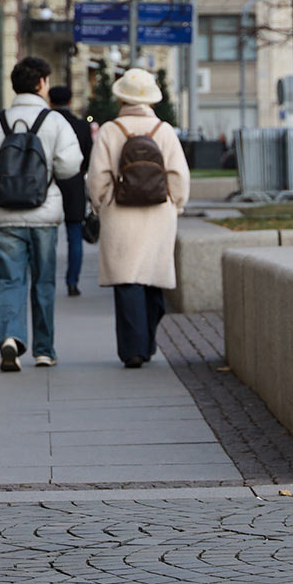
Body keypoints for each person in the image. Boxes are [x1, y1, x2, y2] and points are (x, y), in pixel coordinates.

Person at [0, 57, 83, 372]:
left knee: (10, 279)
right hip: (44, 213)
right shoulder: (54, 121)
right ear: (42, 83)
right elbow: (70, 165)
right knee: (43, 281)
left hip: (6, 215)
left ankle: (10, 337)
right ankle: (44, 350)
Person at [88, 68, 189, 368]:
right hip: (159, 213)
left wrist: (101, 204)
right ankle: (148, 340)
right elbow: (179, 175)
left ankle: (133, 348)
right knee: (153, 277)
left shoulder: (110, 130)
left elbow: (97, 177)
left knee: (127, 280)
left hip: (119, 213)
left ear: (121, 98)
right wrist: (175, 204)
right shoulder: (164, 130)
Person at [48, 85, 92, 297]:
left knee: (48, 237)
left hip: (49, 184)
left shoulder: (45, 124)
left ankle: (46, 281)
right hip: (75, 185)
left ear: (50, 102)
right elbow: (89, 158)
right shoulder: (82, 126)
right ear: (70, 102)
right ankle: (72, 282)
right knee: (75, 236)